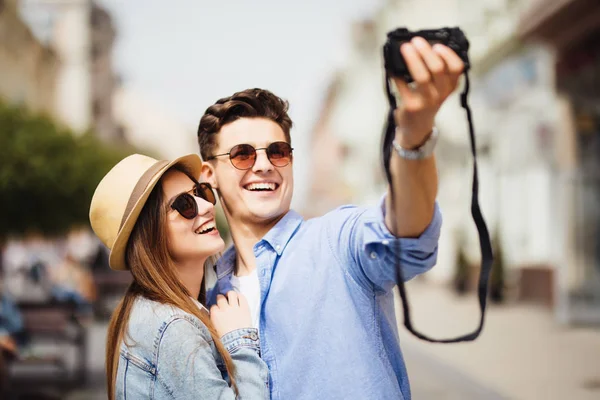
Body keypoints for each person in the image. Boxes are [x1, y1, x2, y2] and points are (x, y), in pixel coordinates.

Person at [197, 37, 464, 399]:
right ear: (208, 175)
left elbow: (405, 232)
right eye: (242, 155)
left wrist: (414, 138)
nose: (263, 165)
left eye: (277, 152)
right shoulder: (212, 297)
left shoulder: (335, 241)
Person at [88, 154, 269, 399]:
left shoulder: (148, 308)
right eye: (184, 204)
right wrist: (240, 340)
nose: (206, 206)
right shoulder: (173, 327)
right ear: (150, 235)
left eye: (200, 192)